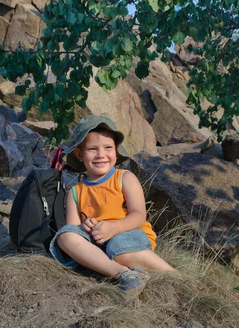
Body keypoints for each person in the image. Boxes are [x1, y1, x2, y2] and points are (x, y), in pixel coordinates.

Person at [49, 115, 174, 295]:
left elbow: (139, 215)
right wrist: (85, 227)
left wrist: (113, 228)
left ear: (116, 151)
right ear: (79, 154)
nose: (101, 155)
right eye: (92, 149)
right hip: (97, 243)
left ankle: (172, 274)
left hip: (128, 236)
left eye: (108, 148)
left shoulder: (125, 178)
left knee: (118, 246)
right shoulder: (74, 192)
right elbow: (73, 228)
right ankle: (124, 274)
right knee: (65, 236)